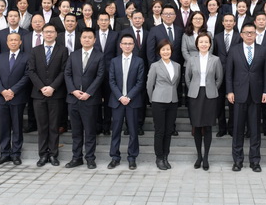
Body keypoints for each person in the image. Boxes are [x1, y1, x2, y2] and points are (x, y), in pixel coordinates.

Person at [226, 22, 266, 173]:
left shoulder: (262, 50)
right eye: (246, 32)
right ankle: (237, 161)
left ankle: (255, 161)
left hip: (256, 95)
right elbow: (229, 73)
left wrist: (265, 91)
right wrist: (229, 91)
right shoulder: (234, 50)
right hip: (238, 94)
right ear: (241, 35)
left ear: (256, 34)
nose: (249, 35)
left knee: (255, 129)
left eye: (252, 32)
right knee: (238, 129)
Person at [27, 24, 69, 167]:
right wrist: (41, 87)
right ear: (42, 34)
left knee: (54, 126)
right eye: (46, 32)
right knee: (42, 126)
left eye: (51, 32)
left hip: (56, 94)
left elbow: (64, 71)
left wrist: (52, 87)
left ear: (56, 34)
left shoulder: (63, 50)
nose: (49, 34)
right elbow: (31, 71)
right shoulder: (35, 50)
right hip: (38, 95)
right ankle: (43, 155)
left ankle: (53, 154)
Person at [64, 28, 105, 170]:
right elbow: (67, 74)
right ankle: (76, 158)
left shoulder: (99, 56)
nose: (87, 39)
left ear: (94, 40)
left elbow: (100, 76)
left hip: (90, 100)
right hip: (74, 99)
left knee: (90, 131)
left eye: (90, 37)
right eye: (84, 37)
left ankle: (90, 158)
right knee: (76, 132)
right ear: (80, 39)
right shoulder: (73, 55)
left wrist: (89, 93)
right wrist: (73, 90)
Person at [186, 32, 223, 171]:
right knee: (196, 126)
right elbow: (187, 78)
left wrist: (211, 89)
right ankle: (199, 156)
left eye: (206, 42)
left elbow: (219, 79)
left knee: (207, 127)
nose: (203, 44)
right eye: (201, 42)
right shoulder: (191, 59)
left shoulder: (215, 59)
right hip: (195, 95)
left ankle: (206, 157)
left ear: (210, 44)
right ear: (197, 44)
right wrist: (194, 88)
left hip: (210, 96)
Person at [108, 34, 145, 170]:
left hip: (132, 102)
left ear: (134, 46)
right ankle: (115, 157)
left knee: (133, 131)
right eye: (125, 43)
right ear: (120, 45)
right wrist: (120, 97)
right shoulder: (114, 61)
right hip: (117, 101)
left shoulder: (139, 61)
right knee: (116, 131)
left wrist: (128, 97)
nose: (127, 46)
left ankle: (132, 158)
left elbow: (140, 82)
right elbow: (111, 81)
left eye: (130, 43)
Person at [0, 32, 30, 165]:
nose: (13, 42)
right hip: (2, 98)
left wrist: (13, 90)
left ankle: (16, 154)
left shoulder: (26, 57)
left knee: (17, 127)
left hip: (17, 97)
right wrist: (2, 91)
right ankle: (4, 153)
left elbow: (26, 76)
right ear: (7, 43)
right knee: (4, 127)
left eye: (16, 40)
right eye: (11, 40)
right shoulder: (0, 57)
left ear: (20, 42)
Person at [147, 40, 181, 171]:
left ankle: (166, 156)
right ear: (159, 52)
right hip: (158, 101)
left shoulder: (177, 65)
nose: (166, 52)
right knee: (160, 131)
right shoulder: (155, 66)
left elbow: (176, 83)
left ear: (171, 51)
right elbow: (149, 85)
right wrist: (152, 99)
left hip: (173, 101)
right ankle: (159, 157)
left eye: (168, 49)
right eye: (163, 50)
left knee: (169, 131)